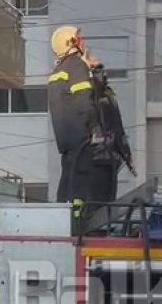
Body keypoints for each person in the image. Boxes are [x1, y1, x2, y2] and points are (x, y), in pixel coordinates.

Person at [47, 25, 135, 206]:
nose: (83, 43)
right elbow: (84, 102)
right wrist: (96, 130)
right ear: (70, 43)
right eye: (79, 39)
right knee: (93, 196)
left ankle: (71, 219)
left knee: (70, 189)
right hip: (88, 148)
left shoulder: (58, 72)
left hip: (71, 146)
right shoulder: (76, 66)